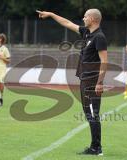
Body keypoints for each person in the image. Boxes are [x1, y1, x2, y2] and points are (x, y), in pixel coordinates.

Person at [37, 9, 107, 156]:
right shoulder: (87, 33)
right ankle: (95, 146)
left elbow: (104, 61)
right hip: (85, 80)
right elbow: (67, 23)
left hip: (92, 82)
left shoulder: (99, 37)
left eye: (86, 16)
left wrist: (99, 82)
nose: (83, 18)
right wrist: (51, 14)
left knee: (93, 114)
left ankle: (96, 148)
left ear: (93, 19)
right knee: (89, 114)